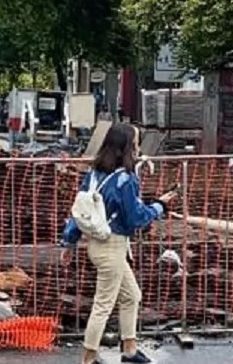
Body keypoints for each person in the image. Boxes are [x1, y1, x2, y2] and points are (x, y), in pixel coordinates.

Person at [59, 124, 176, 364]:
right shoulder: (126, 179)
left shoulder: (93, 175)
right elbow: (135, 218)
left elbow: (79, 212)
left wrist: (69, 242)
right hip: (112, 247)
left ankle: (129, 349)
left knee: (132, 295)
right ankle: (88, 359)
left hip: (99, 245)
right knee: (103, 305)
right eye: (136, 143)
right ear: (127, 148)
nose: (139, 147)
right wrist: (159, 206)